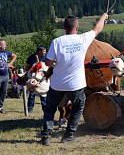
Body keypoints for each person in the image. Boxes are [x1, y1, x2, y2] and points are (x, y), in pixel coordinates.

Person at [41, 13, 108, 146]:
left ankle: (46, 136)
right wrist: (103, 17)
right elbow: (97, 29)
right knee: (78, 107)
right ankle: (69, 135)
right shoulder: (83, 39)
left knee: (49, 110)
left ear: (64, 27)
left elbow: (47, 63)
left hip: (57, 84)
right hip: (75, 85)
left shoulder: (57, 41)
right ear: (77, 28)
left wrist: (55, 61)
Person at [25, 46, 47, 113]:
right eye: (43, 51)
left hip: (43, 79)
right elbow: (27, 68)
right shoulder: (31, 58)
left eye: (45, 51)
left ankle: (45, 109)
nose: (45, 53)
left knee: (43, 93)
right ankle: (30, 108)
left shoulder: (46, 58)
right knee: (32, 93)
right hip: (33, 78)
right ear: (39, 52)